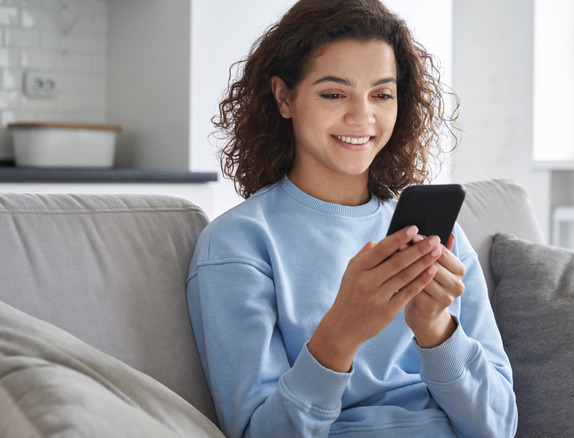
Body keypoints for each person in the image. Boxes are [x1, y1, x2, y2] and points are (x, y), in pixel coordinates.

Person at [185, 0, 518, 436]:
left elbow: (499, 427)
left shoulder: (438, 236)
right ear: (284, 97)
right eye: (334, 94)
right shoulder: (238, 244)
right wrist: (341, 334)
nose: (362, 117)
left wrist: (435, 329)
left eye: (382, 95)